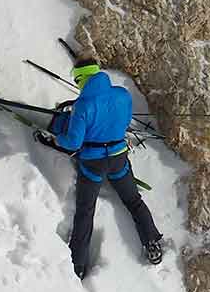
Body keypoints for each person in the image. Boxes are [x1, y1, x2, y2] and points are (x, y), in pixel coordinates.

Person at [34, 60, 163, 279]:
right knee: (134, 201)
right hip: (118, 159)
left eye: (77, 80)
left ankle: (78, 264)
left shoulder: (83, 105)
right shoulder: (122, 95)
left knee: (85, 211)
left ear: (82, 78)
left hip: (93, 165)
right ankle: (151, 242)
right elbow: (124, 123)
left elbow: (73, 143)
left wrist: (57, 138)